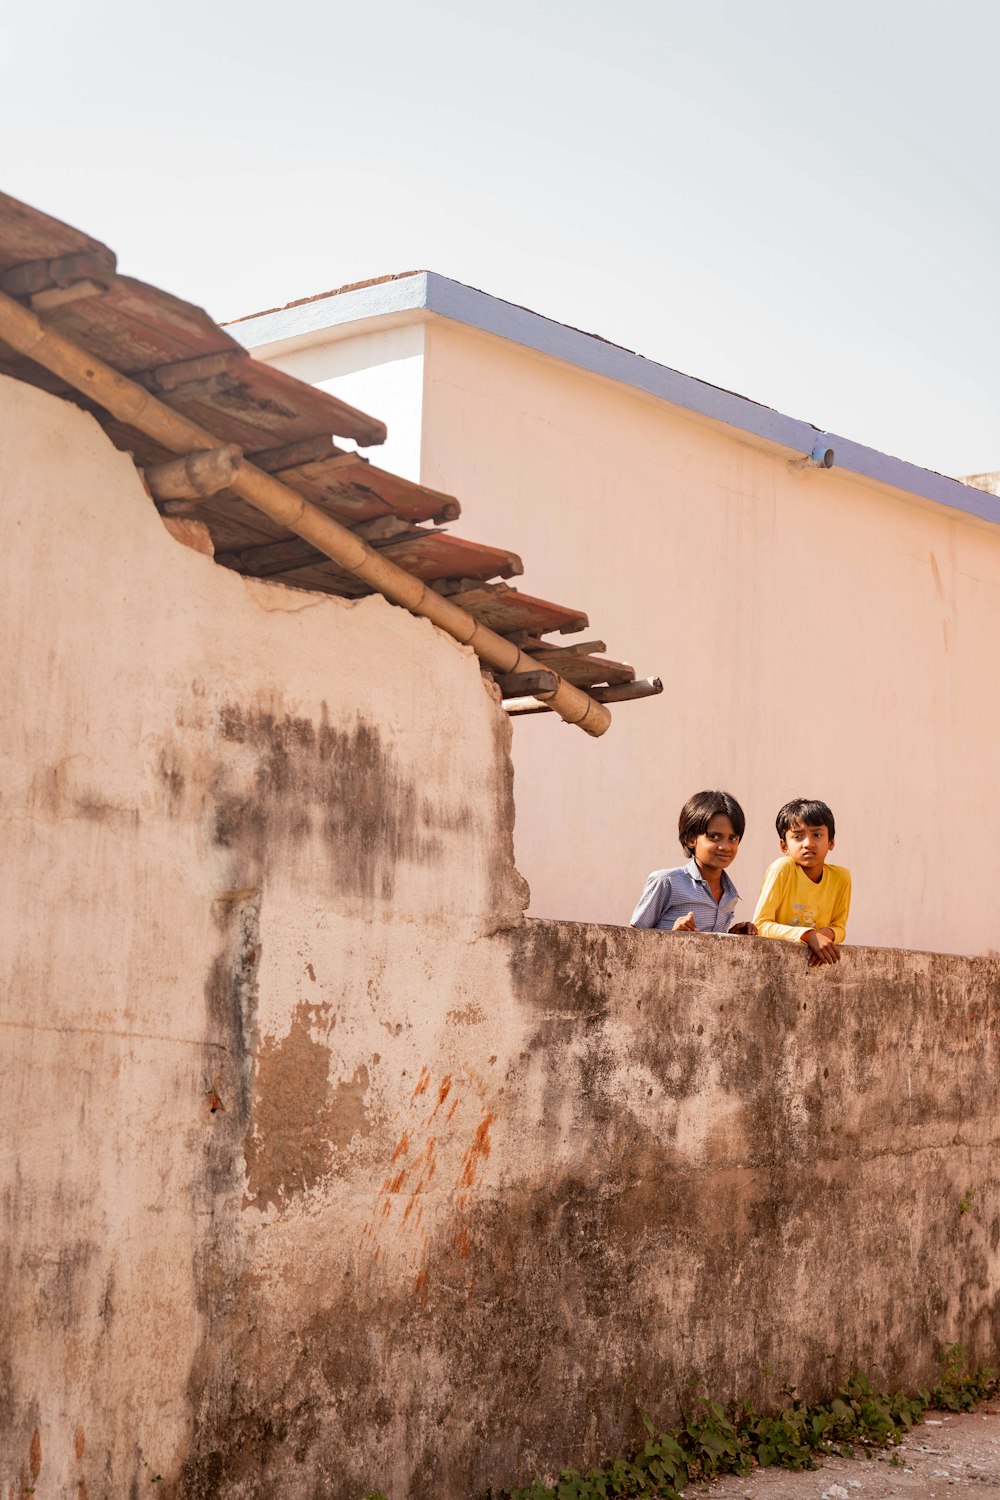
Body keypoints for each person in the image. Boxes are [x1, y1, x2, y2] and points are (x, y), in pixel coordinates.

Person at [630, 789, 757, 935]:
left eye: (732, 838)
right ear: (691, 839)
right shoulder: (667, 882)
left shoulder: (730, 895)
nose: (725, 847)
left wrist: (732, 936)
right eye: (714, 837)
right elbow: (633, 939)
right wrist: (673, 935)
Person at [752, 798, 851, 966]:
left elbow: (840, 927)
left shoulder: (841, 877)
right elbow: (760, 925)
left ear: (831, 842)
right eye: (797, 836)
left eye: (817, 835)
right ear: (784, 846)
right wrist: (809, 935)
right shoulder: (783, 868)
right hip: (775, 963)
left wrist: (826, 935)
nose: (808, 844)